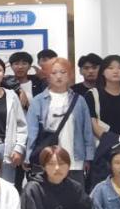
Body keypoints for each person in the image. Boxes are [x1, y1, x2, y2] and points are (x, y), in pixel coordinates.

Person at [25, 57, 94, 185]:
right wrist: (28, 156)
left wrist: (89, 157)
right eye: (54, 73)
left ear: (69, 75)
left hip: (75, 158)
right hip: (46, 159)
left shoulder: (79, 100)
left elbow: (87, 131)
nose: (59, 76)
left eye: (63, 72)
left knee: (75, 193)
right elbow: (31, 131)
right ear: (47, 76)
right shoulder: (38, 101)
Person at [85, 55, 120, 187]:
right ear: (103, 71)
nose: (116, 71)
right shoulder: (93, 94)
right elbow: (93, 123)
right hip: (104, 149)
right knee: (103, 188)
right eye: (110, 68)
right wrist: (113, 143)